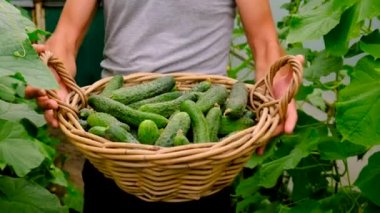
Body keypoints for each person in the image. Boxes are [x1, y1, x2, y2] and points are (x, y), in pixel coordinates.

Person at [26, 0, 304, 212]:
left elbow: (265, 42)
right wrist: (52, 72)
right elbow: (66, 36)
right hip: (113, 149)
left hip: (204, 156)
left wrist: (275, 82)